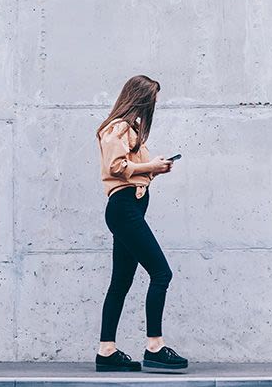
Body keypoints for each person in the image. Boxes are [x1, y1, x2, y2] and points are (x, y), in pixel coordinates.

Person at [94, 75, 188, 373]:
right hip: (124, 210)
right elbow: (116, 167)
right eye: (154, 99)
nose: (155, 105)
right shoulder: (118, 127)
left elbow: (131, 170)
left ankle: (106, 351)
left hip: (129, 208)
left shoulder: (129, 128)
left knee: (121, 282)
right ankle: (155, 347)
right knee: (161, 272)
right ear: (142, 98)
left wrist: (155, 170)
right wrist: (151, 166)